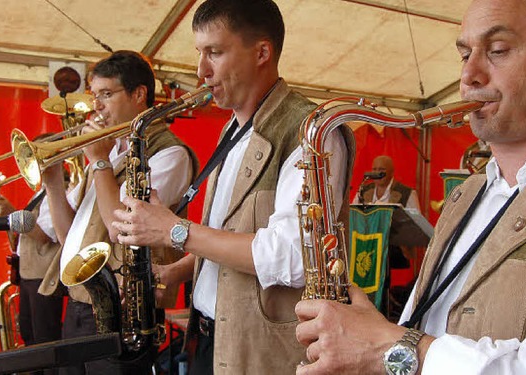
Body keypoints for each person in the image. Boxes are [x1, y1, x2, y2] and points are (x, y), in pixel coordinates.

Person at [294, 0, 526, 374]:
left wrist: (388, 349)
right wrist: (369, 337)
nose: (468, 76)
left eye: (497, 51)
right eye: (465, 54)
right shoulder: (465, 195)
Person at [112, 1, 354, 373]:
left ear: (261, 52)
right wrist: (176, 271)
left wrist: (172, 230)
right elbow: (231, 237)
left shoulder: (312, 132)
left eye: (215, 52)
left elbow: (293, 256)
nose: (200, 71)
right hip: (208, 338)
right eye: (200, 53)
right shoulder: (232, 131)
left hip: (262, 354)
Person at [40, 50, 196, 374]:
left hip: (127, 312)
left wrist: (98, 161)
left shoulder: (170, 153)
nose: (96, 106)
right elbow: (68, 237)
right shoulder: (109, 152)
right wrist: (53, 185)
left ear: (139, 94)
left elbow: (119, 227)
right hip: (82, 305)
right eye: (95, 95)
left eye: (106, 94)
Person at [0, 174, 63, 370]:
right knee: (29, 335)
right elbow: (25, 234)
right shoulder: (39, 193)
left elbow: (43, 235)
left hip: (44, 276)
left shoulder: (59, 190)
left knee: (44, 340)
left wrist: (12, 213)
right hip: (29, 274)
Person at [352, 155, 420, 210]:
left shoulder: (407, 193)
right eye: (374, 169)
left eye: (382, 169)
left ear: (392, 173)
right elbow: (352, 215)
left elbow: (416, 223)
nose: (377, 173)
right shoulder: (362, 191)